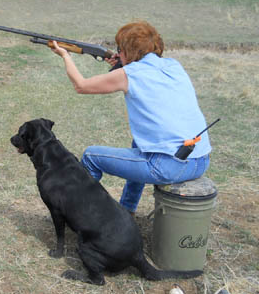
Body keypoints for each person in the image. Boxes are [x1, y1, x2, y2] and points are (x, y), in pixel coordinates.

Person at [50, 21, 211, 216]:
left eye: (120, 49)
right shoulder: (173, 65)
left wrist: (65, 55)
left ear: (127, 50)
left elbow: (81, 86)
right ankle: (127, 209)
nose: (118, 52)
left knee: (91, 157)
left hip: (170, 166)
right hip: (199, 161)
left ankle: (75, 214)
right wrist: (121, 64)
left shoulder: (130, 73)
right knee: (139, 144)